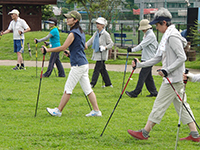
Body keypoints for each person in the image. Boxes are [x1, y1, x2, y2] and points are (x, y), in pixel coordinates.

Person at [128, 7, 200, 142]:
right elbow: (157, 58)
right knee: (182, 106)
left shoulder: (172, 36)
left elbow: (182, 57)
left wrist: (167, 70)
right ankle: (195, 135)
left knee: (159, 104)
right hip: (174, 78)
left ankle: (144, 133)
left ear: (164, 23)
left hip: (173, 79)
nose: (156, 27)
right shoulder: (167, 36)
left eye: (157, 24)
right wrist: (140, 65)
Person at [41, 10, 102, 117]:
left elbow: (63, 47)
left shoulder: (73, 33)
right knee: (88, 89)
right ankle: (96, 111)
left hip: (78, 65)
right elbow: (84, 46)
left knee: (68, 89)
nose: (67, 19)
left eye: (69, 18)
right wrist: (71, 53)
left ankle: (58, 111)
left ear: (75, 20)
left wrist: (48, 50)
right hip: (83, 63)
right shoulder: (81, 32)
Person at [125, 19, 158, 98]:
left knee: (142, 75)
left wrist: (132, 50)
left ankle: (135, 92)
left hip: (149, 59)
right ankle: (154, 92)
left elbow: (141, 45)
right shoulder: (148, 34)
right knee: (148, 77)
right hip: (147, 58)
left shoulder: (150, 35)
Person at [85, 17, 114, 88]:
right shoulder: (96, 33)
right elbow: (91, 41)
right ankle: (108, 83)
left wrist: (105, 47)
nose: (98, 25)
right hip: (97, 53)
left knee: (97, 69)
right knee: (102, 69)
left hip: (102, 54)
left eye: (100, 24)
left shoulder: (106, 34)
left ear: (103, 25)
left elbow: (111, 44)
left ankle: (92, 83)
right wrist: (84, 46)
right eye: (97, 23)